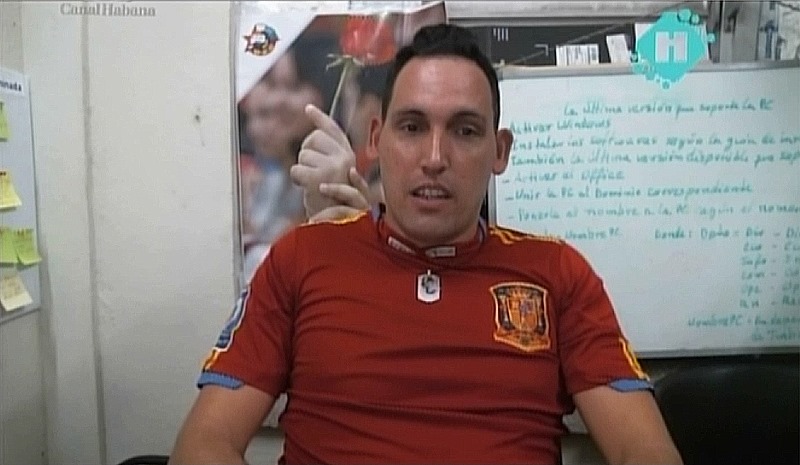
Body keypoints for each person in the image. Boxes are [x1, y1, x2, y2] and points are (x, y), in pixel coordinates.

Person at [170, 24, 683, 465]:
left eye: (465, 131)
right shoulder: (301, 259)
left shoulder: (557, 273)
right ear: (377, 139)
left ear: (499, 151)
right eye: (413, 127)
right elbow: (204, 445)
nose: (435, 157)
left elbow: (645, 451)